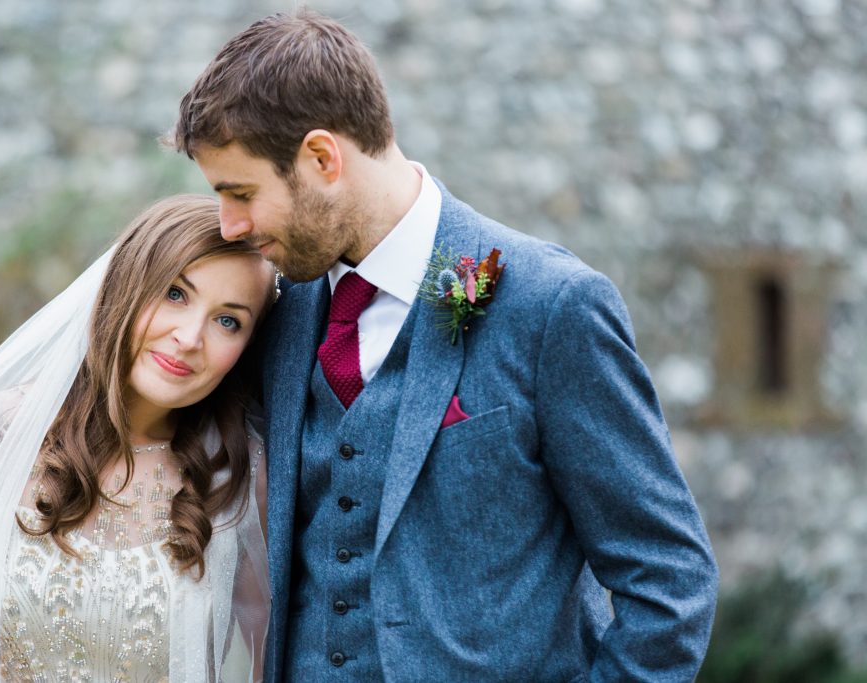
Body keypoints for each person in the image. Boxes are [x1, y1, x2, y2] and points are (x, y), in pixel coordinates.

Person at [172, 10, 719, 682]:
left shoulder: (552, 306)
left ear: (321, 158)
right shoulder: (275, 312)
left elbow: (670, 584)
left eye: (241, 193)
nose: (229, 225)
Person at [0, 194, 276, 682]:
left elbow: (270, 662)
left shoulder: (239, 478)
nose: (189, 336)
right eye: (175, 294)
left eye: (228, 321)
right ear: (127, 285)